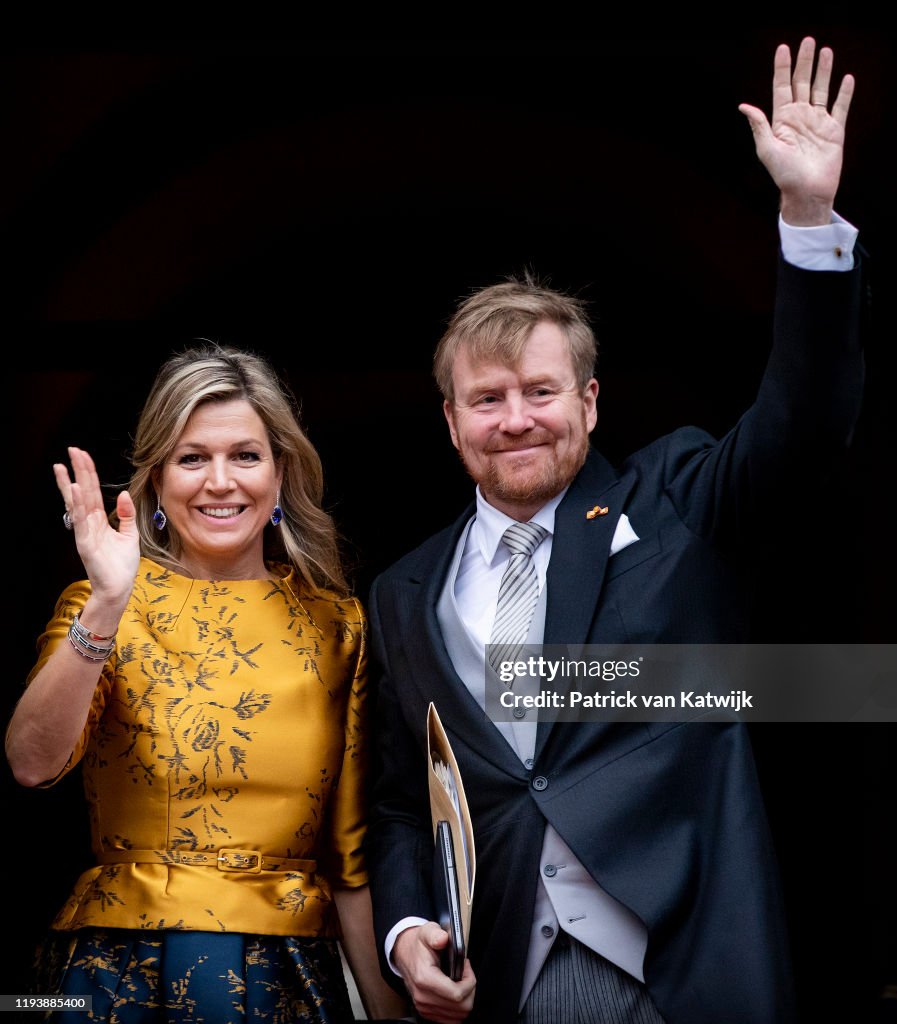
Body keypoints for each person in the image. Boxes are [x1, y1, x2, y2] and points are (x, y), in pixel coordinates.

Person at [363, 37, 864, 1024]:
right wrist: (406, 927)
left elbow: (800, 427)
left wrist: (808, 218)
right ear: (451, 421)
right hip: (504, 974)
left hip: (680, 963)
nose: (516, 418)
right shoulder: (402, 594)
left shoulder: (673, 496)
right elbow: (397, 803)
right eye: (489, 397)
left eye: (542, 391)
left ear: (589, 403)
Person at [5, 344, 410, 1023]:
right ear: (157, 481)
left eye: (245, 456)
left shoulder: (337, 624)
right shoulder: (100, 601)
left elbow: (349, 856)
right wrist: (107, 601)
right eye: (192, 458)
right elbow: (30, 763)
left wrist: (390, 1011)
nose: (219, 481)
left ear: (281, 476)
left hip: (287, 974)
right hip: (110, 972)